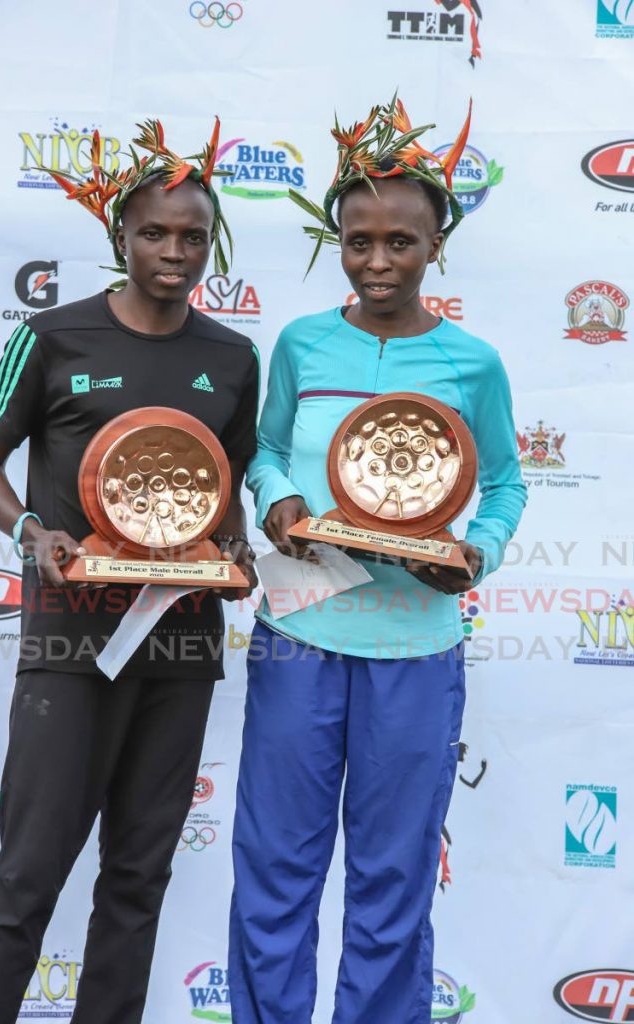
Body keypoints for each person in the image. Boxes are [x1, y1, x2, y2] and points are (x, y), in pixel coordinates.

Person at [228, 97, 526, 1023]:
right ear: (335, 241)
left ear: (436, 244)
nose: (378, 262)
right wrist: (275, 499)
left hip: (417, 646)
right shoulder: (304, 343)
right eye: (359, 241)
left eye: (401, 242)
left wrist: (475, 552)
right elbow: (268, 449)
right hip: (298, 633)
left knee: (392, 879)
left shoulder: (471, 363)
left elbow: (508, 484)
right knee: (276, 867)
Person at [0, 118, 258, 1024]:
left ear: (211, 244)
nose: (174, 251)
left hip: (180, 647)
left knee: (137, 879)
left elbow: (226, 488)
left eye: (192, 236)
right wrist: (31, 532)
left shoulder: (232, 357)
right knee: (29, 874)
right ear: (119, 237)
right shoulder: (51, 338)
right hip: (70, 640)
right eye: (155, 233)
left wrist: (233, 553)